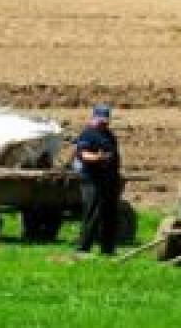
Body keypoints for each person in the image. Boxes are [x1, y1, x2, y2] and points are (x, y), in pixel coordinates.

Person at [74, 104, 123, 257]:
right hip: (93, 180)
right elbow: (83, 154)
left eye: (106, 120)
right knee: (92, 214)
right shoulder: (88, 134)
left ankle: (108, 249)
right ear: (94, 117)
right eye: (101, 120)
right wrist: (97, 157)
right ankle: (83, 248)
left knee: (110, 215)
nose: (104, 123)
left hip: (109, 180)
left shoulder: (109, 135)